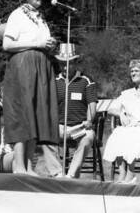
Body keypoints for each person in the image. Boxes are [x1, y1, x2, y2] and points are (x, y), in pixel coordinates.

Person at [2, 0, 59, 175]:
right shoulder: (17, 15)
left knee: (35, 113)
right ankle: (18, 165)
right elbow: (7, 44)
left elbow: (42, 42)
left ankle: (28, 165)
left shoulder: (39, 17)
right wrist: (37, 44)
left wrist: (49, 46)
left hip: (40, 67)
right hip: (23, 67)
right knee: (22, 113)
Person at [43, 43, 98, 178]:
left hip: (80, 127)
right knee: (44, 137)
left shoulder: (86, 80)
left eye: (69, 63)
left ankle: (71, 175)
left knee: (88, 137)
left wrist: (89, 120)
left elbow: (92, 105)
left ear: (75, 63)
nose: (65, 67)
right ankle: (57, 173)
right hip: (60, 127)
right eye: (62, 64)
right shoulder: (54, 81)